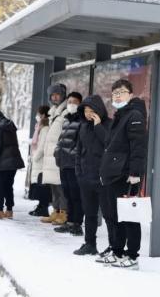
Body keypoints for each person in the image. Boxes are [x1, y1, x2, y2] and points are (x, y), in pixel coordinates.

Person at [98, 79, 147, 269]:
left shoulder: (134, 115)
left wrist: (135, 172)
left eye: (121, 92)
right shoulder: (120, 115)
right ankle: (117, 250)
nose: (117, 95)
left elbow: (138, 147)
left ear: (131, 94)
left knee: (129, 216)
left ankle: (132, 255)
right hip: (112, 173)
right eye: (115, 92)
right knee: (114, 215)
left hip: (126, 175)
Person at [74, 94, 113, 256]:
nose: (88, 113)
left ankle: (113, 246)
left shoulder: (109, 124)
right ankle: (90, 243)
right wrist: (78, 171)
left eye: (91, 110)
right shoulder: (83, 126)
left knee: (109, 214)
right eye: (85, 110)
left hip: (103, 179)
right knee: (89, 213)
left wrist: (98, 126)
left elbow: (109, 144)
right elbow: (79, 150)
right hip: (86, 178)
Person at [53, 92, 84, 236]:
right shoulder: (66, 120)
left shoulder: (82, 120)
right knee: (67, 194)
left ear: (80, 104)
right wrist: (57, 153)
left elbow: (81, 143)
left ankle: (77, 223)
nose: (71, 104)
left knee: (76, 194)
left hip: (74, 163)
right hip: (63, 163)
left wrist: (72, 154)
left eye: (74, 102)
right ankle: (69, 221)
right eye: (69, 101)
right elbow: (61, 139)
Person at [0, 109, 25, 219]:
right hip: (13, 161)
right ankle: (9, 210)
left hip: (2, 163)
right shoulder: (9, 126)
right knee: (8, 186)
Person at [40, 83, 69, 225]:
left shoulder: (66, 111)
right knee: (53, 185)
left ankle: (64, 213)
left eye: (57, 94)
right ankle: (55, 211)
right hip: (51, 156)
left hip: (59, 155)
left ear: (63, 95)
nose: (55, 97)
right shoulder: (53, 112)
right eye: (52, 95)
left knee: (61, 186)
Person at [28, 105, 52, 217]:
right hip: (38, 160)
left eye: (38, 114)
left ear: (43, 115)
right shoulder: (40, 127)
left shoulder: (45, 128)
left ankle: (43, 207)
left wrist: (35, 157)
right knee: (39, 185)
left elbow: (42, 146)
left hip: (41, 160)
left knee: (42, 186)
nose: (37, 116)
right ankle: (41, 206)